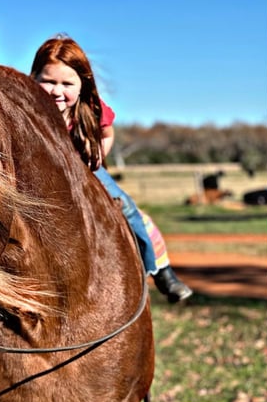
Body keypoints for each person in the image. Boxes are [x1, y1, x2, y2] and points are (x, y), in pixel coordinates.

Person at [31, 36, 193, 303]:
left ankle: (162, 273)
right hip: (39, 175)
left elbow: (106, 133)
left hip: (84, 168)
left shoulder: (91, 109)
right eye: (48, 81)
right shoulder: (26, 108)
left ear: (83, 84)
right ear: (34, 77)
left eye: (67, 83)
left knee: (128, 209)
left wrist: (97, 156)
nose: (57, 91)